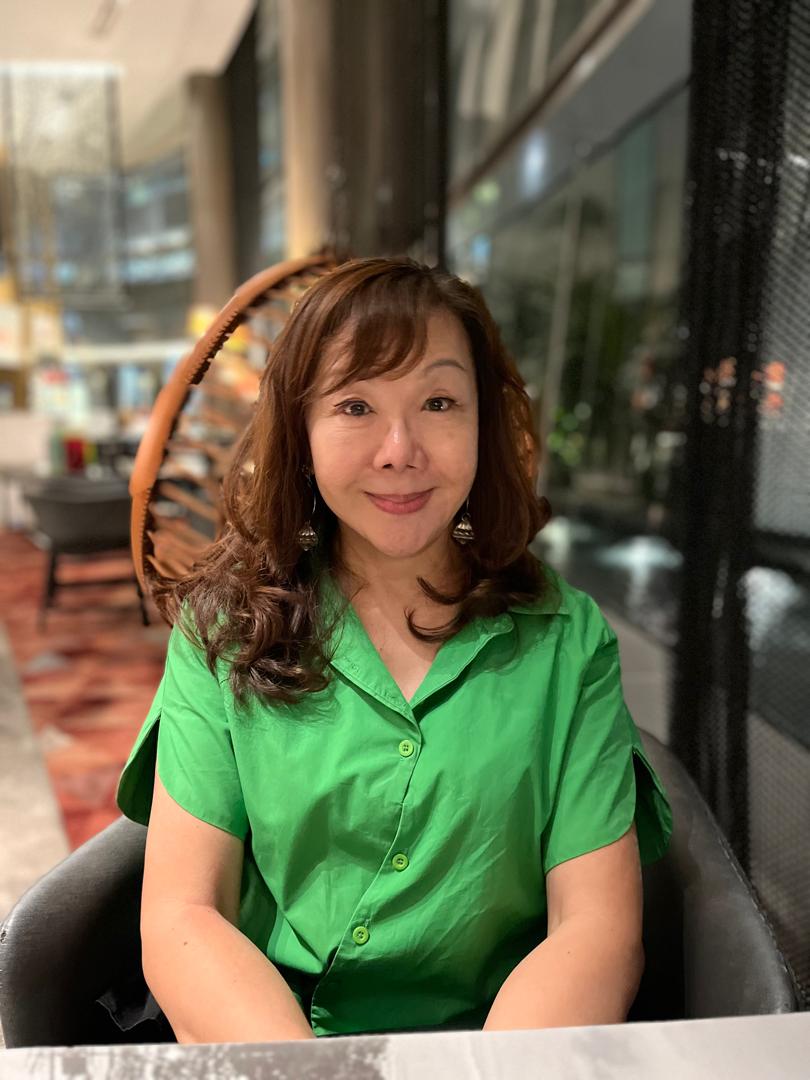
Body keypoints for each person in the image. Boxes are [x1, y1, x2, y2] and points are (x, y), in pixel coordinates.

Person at [114, 255, 673, 1043]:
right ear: (301, 433)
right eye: (355, 406)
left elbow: (598, 930)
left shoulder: (566, 640)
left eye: (438, 402)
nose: (399, 449)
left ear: (483, 421)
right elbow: (182, 914)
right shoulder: (222, 631)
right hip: (276, 1043)